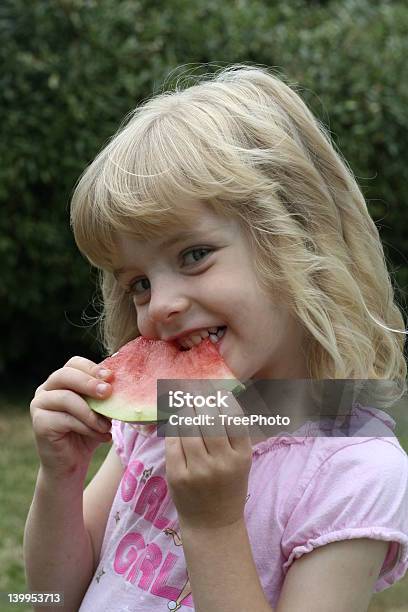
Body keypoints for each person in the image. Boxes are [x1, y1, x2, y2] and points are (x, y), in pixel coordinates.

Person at [24, 64, 408, 611]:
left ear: (296, 235)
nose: (159, 305)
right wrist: (59, 480)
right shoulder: (166, 416)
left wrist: (213, 523)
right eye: (137, 283)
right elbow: (46, 598)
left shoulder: (356, 472)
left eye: (194, 255)